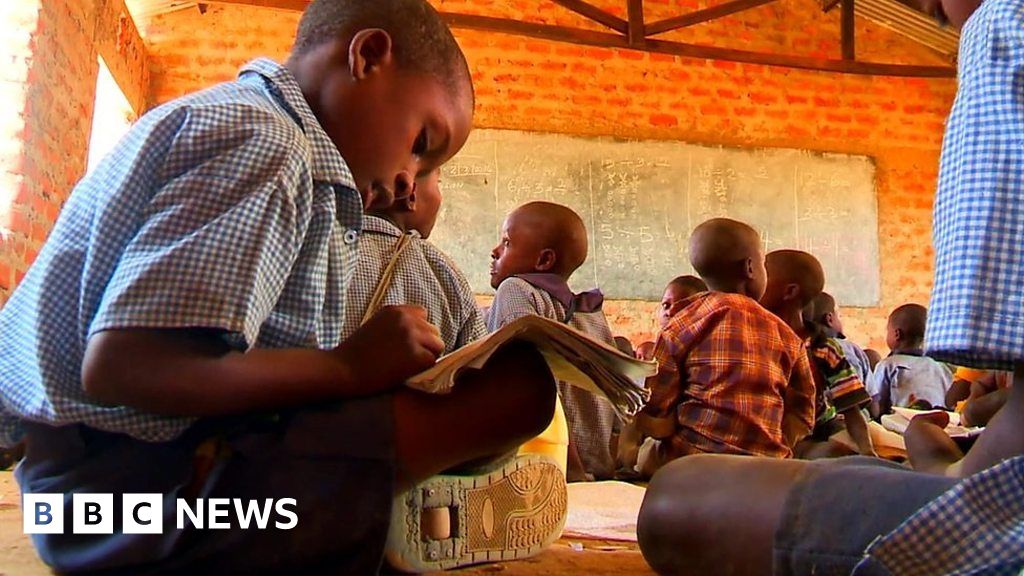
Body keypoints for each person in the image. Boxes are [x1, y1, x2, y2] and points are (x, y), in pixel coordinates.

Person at [0, 2, 566, 573]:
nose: (407, 182)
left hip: (80, 504)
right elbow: (126, 365)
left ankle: (376, 512)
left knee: (467, 400)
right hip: (137, 507)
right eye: (422, 143)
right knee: (518, 391)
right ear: (368, 57)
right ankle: (378, 515)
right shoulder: (263, 142)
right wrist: (348, 368)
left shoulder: (256, 132)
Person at [638, 1, 1024, 574]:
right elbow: (808, 406)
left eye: (938, 8)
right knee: (837, 462)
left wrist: (941, 462)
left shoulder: (1004, 24)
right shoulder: (781, 333)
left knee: (678, 495)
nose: (937, 11)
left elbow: (664, 384)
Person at [630, 220, 816, 477]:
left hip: (694, 465)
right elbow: (804, 410)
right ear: (750, 268)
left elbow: (656, 407)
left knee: (647, 452)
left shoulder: (681, 324)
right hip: (768, 468)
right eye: (763, 264)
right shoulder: (785, 334)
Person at [487, 201, 620, 482]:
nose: (495, 251)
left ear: (544, 261)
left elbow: (523, 382)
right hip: (596, 468)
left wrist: (571, 469)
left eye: (507, 242)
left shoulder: (516, 289)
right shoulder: (591, 313)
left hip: (546, 466)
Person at [342, 169, 486, 353]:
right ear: (410, 194)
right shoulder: (442, 269)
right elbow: (478, 361)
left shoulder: (319, 249)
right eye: (438, 184)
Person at [788, 270, 876, 459]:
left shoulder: (823, 348)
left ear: (789, 293)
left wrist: (867, 451)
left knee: (839, 450)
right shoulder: (758, 340)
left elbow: (851, 408)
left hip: (820, 428)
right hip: (776, 435)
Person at [867, 304, 953, 418]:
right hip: (939, 425)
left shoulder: (888, 365)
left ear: (897, 334)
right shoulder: (941, 367)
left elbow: (877, 406)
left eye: (888, 330)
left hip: (901, 426)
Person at [806, 292, 873, 383]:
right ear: (829, 319)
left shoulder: (803, 347)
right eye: (838, 316)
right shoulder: (847, 349)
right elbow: (872, 393)